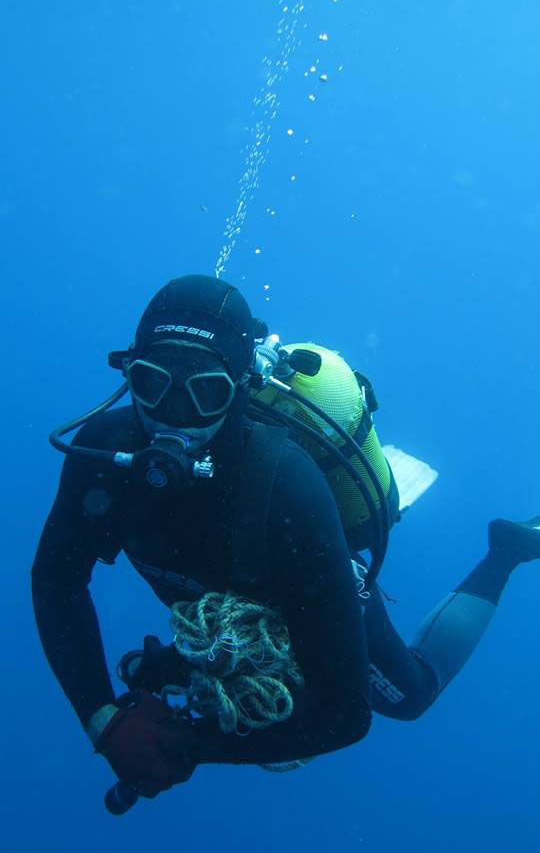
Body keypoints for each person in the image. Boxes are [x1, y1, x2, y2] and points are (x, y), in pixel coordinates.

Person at [31, 274, 540, 806]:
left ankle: (506, 553)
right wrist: (104, 720)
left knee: (408, 697)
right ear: (127, 375)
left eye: (205, 391)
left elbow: (343, 717)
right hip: (231, 595)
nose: (173, 416)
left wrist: (189, 745)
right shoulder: (103, 454)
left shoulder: (288, 489)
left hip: (304, 575)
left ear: (240, 386)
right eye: (152, 383)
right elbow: (56, 580)